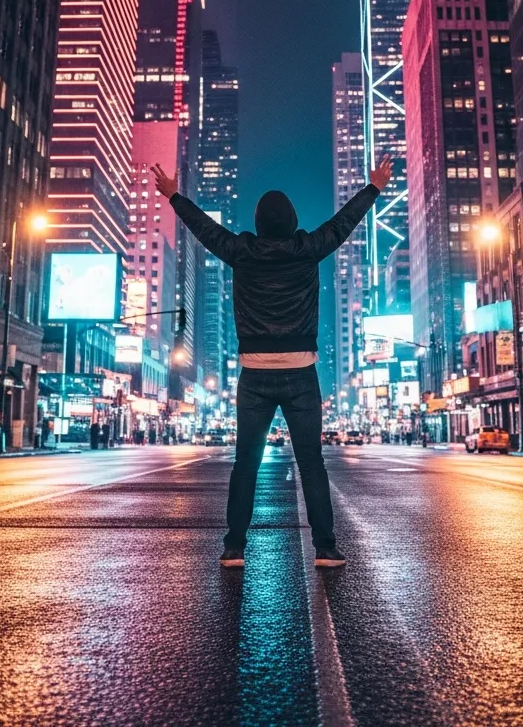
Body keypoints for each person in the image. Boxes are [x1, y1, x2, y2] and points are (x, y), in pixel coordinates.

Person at [153, 154, 392, 569]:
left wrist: (175, 195)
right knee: (311, 463)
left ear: (260, 223)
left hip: (255, 375)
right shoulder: (309, 248)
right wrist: (373, 187)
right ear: (293, 220)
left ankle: (234, 548)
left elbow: (206, 230)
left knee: (245, 464)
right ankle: (326, 548)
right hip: (301, 374)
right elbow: (343, 223)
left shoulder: (241, 251)